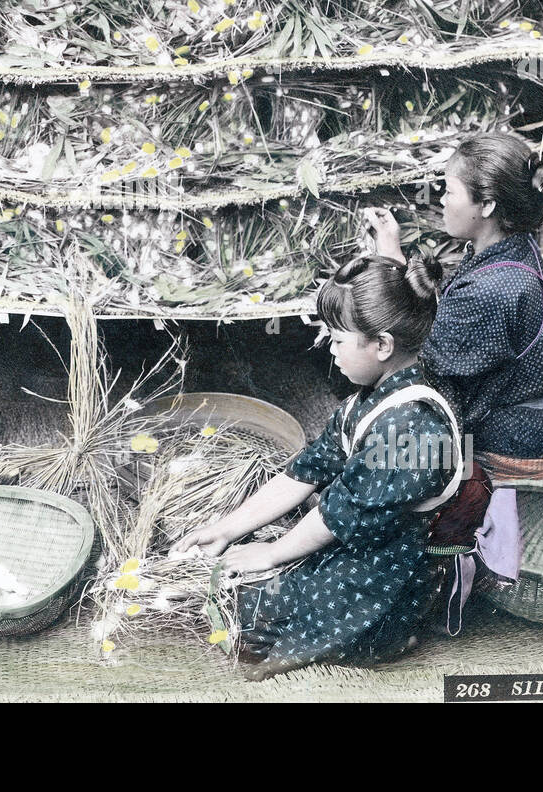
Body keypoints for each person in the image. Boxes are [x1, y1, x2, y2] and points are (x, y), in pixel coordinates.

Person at [174, 254, 462, 679]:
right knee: (238, 580)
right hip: (366, 542)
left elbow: (340, 515)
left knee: (249, 621)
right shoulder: (367, 399)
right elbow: (305, 471)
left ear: (382, 345)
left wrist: (271, 552)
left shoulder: (413, 427)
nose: (329, 348)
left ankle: (392, 636)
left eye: (338, 339)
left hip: (392, 574)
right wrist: (227, 528)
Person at [363, 130, 543, 480]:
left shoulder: (493, 288)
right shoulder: (513, 247)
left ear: (486, 205)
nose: (441, 200)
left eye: (450, 192)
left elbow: (426, 365)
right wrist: (394, 256)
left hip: (502, 454)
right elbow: (451, 326)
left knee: (372, 459)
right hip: (520, 431)